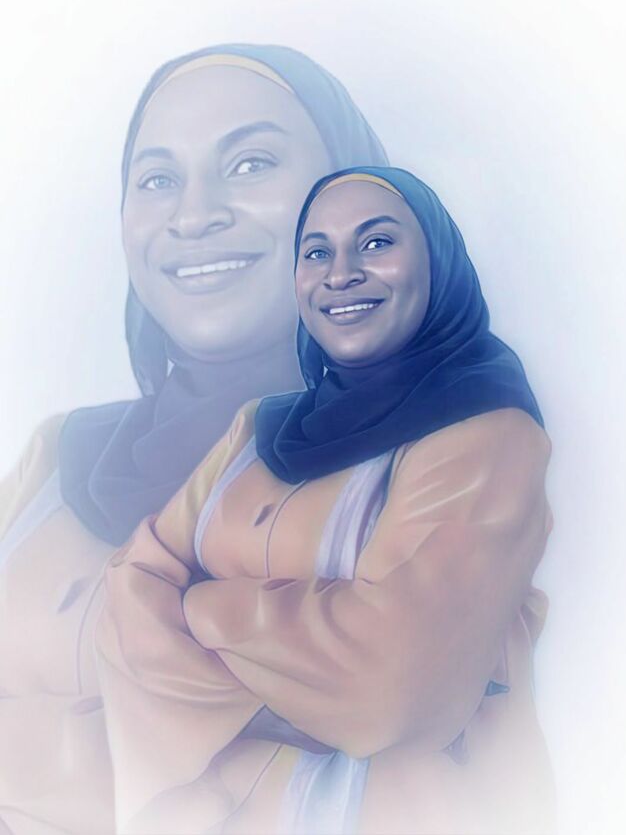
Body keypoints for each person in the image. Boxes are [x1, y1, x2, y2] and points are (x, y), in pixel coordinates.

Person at [96, 168, 556, 835]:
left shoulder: (489, 434)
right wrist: (281, 696)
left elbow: (393, 681)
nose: (340, 273)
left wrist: (198, 609)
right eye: (317, 251)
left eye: (376, 243)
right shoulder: (257, 431)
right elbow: (128, 589)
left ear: (437, 261)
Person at [0, 48, 387, 835]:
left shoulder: (428, 476)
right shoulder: (59, 456)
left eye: (250, 163)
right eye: (156, 179)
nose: (193, 213)